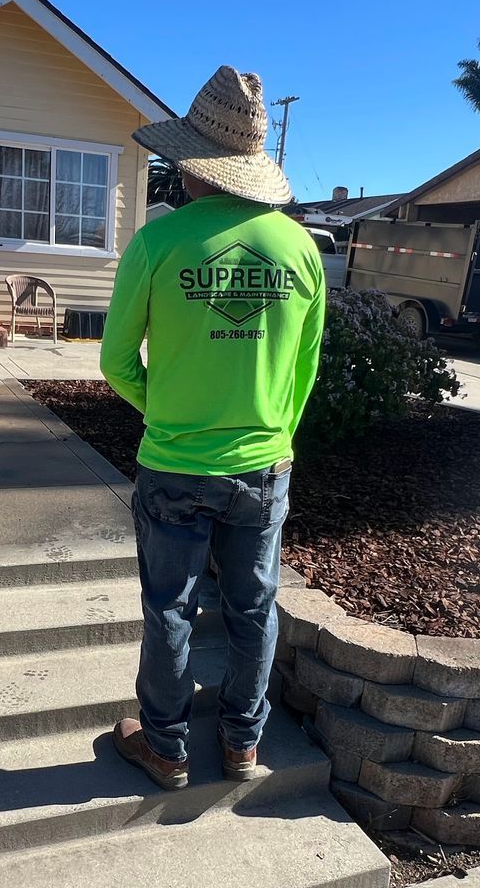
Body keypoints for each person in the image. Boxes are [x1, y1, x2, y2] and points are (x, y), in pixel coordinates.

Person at [100, 66, 327, 790]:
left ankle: (165, 747)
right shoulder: (301, 252)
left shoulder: (157, 244)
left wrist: (166, 413)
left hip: (174, 463)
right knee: (254, 606)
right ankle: (241, 746)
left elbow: (114, 363)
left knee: (170, 607)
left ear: (193, 164)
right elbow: (302, 372)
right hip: (265, 466)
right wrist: (270, 433)